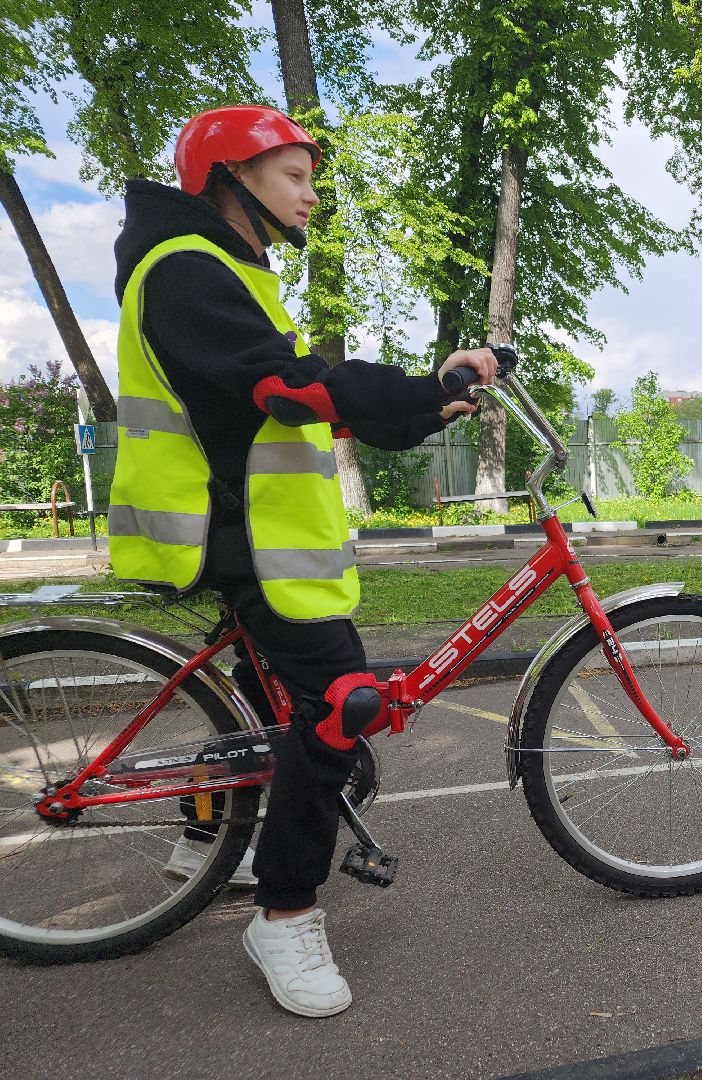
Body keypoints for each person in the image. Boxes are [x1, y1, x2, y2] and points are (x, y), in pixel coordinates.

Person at [109, 104, 495, 1017]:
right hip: (239, 539)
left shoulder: (226, 271)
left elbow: (306, 398)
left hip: (263, 539)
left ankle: (221, 840)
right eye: (294, 176)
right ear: (228, 178)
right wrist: (421, 388)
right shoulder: (186, 273)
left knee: (289, 718)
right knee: (343, 708)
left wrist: (426, 404)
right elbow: (286, 387)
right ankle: (284, 914)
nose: (311, 196)